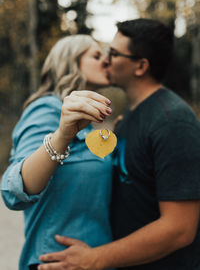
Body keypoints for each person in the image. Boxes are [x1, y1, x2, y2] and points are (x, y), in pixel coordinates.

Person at [38, 19, 200, 270]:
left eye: (113, 53)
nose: (106, 59)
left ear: (140, 66)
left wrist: (95, 258)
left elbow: (180, 228)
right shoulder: (130, 117)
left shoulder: (173, 123)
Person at [1, 34, 114, 270]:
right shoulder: (47, 109)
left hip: (95, 260)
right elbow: (14, 190)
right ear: (70, 61)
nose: (106, 60)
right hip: (55, 261)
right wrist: (62, 135)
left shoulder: (89, 121)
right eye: (96, 55)